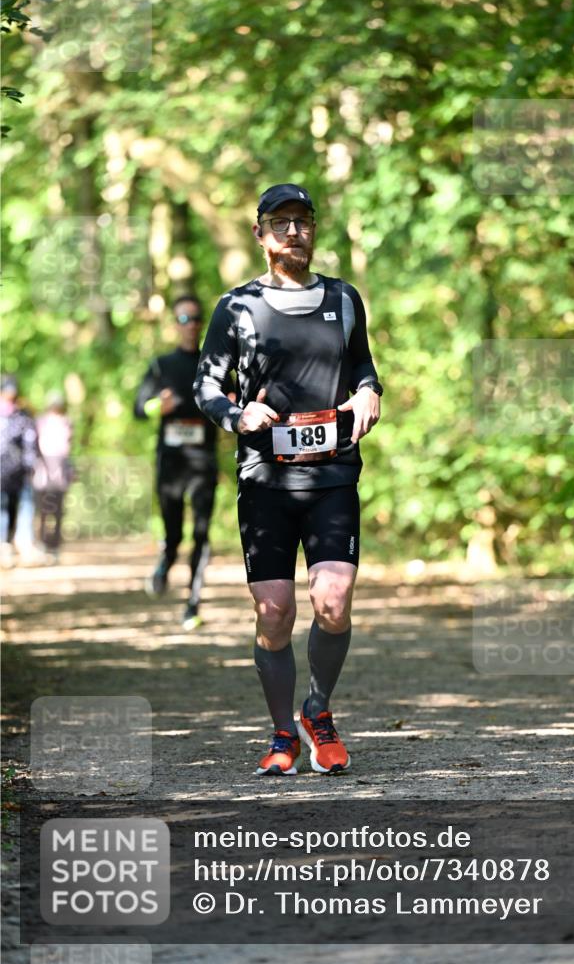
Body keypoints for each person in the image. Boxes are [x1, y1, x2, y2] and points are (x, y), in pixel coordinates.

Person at [194, 183, 382, 776]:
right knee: (274, 613)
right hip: (265, 478)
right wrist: (236, 413)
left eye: (304, 221)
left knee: (333, 600)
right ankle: (282, 735)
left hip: (331, 474)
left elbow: (363, 367)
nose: (294, 232)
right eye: (281, 222)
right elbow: (206, 386)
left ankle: (317, 713)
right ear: (260, 233)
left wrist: (369, 394)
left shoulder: (344, 299)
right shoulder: (237, 307)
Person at [134, 296, 220, 630]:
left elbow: (234, 403)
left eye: (196, 319)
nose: (191, 325)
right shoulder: (160, 366)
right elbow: (139, 409)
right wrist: (159, 405)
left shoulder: (214, 365)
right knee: (174, 532)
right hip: (170, 463)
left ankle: (192, 603)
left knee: (201, 531)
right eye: (184, 319)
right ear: (174, 324)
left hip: (203, 461)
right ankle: (166, 559)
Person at [0, 373, 39, 567]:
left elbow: (30, 442)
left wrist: (31, 465)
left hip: (18, 473)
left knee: (18, 508)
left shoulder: (22, 416)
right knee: (2, 509)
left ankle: (18, 543)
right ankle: (3, 545)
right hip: (2, 472)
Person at [33, 391, 74, 560]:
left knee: (57, 512)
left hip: (60, 474)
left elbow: (68, 449)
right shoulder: (40, 422)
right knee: (43, 511)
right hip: (42, 473)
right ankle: (42, 544)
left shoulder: (67, 423)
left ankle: (54, 546)